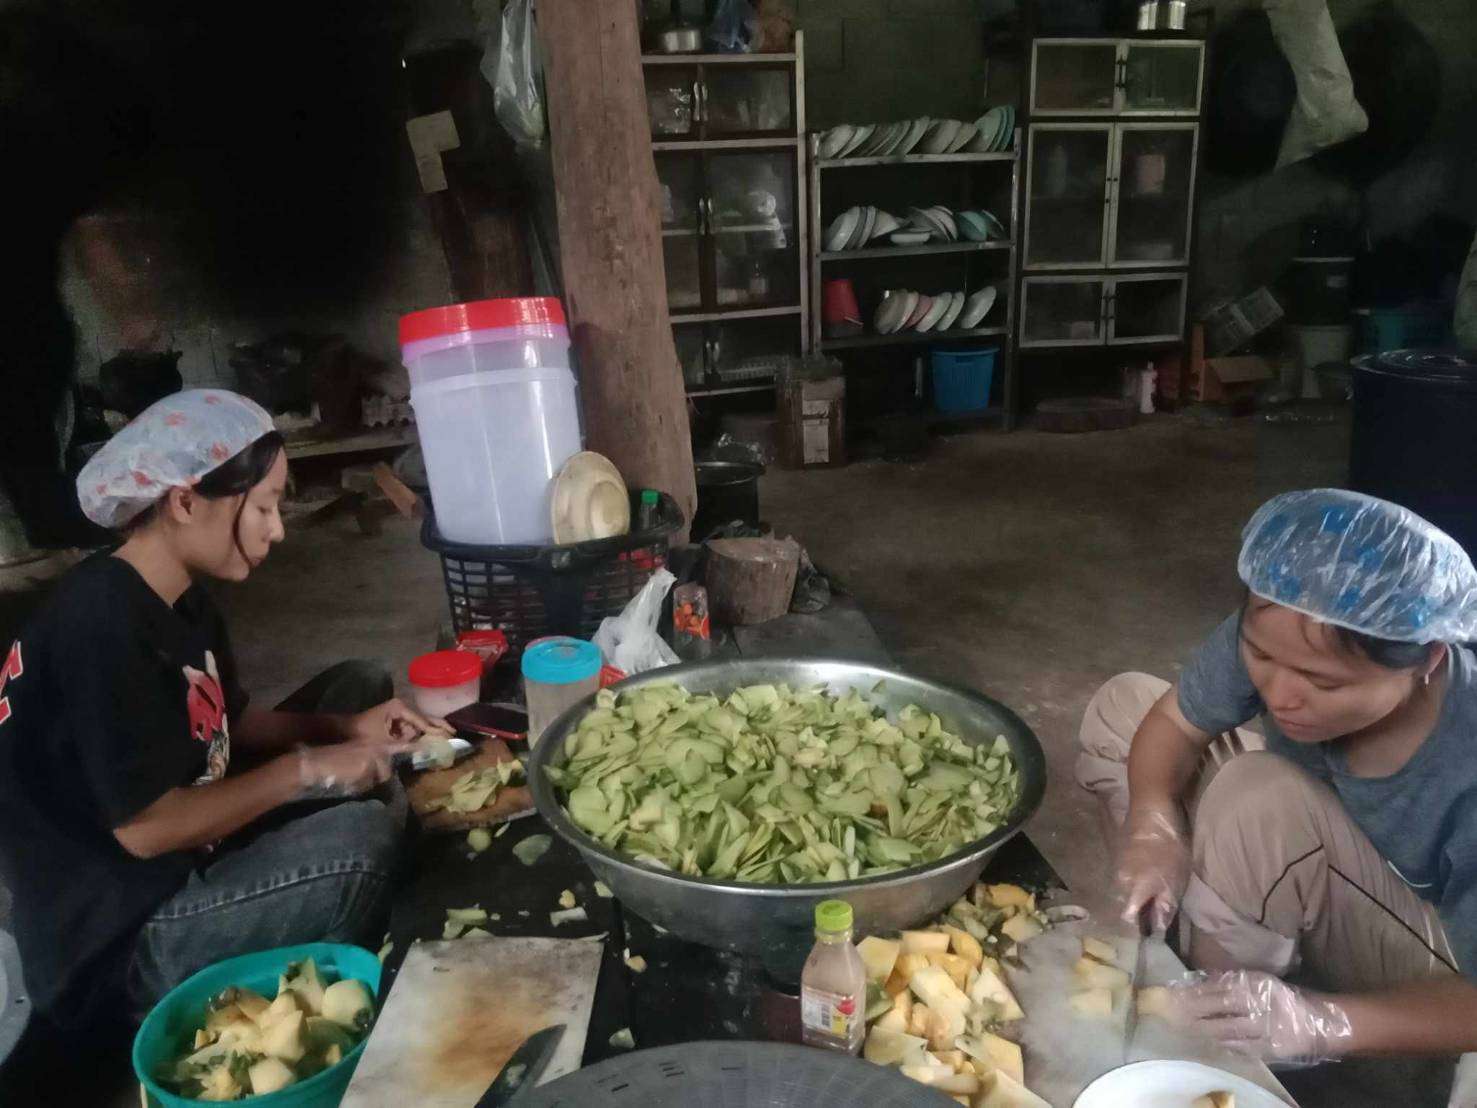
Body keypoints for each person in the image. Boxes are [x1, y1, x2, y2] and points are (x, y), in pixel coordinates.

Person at [0, 389, 446, 1053]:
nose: (278, 528)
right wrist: (308, 771)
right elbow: (149, 830)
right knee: (362, 843)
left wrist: (349, 729)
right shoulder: (100, 627)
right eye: (263, 506)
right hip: (125, 937)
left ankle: (351, 797)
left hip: (180, 845)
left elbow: (225, 723)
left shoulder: (174, 596)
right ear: (184, 501)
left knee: (359, 683)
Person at [1077, 488, 1477, 1074]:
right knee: (1126, 707)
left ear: (1429, 661)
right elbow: (1173, 724)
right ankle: (1194, 962)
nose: (1280, 695)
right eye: (1261, 657)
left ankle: (1232, 1039)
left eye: (1325, 684)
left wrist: (1324, 1023)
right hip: (1336, 860)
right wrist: (1153, 823)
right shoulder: (1288, 625)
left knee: (1258, 798)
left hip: (1445, 956)